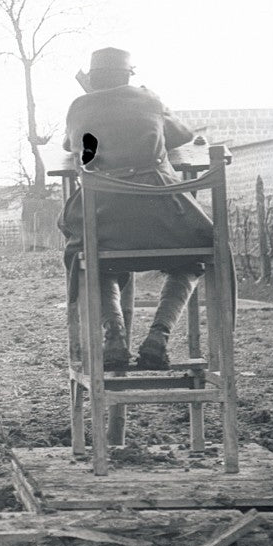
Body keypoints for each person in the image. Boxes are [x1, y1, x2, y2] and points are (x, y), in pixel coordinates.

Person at [59, 47, 211, 371]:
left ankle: (113, 335)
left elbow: (72, 144)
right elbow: (182, 134)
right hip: (163, 220)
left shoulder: (78, 106)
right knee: (196, 254)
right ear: (129, 75)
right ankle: (159, 335)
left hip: (106, 221)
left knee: (93, 255)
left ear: (93, 77)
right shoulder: (148, 99)